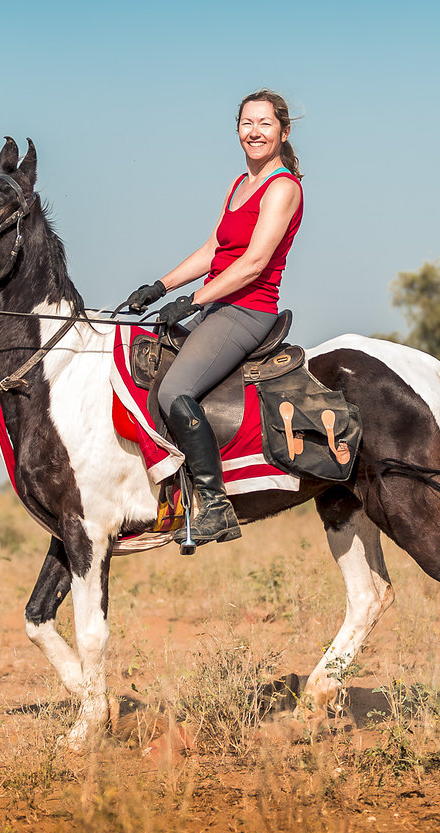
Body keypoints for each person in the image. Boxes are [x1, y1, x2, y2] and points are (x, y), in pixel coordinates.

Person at [125, 89, 304, 546]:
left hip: (248, 309)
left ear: (283, 132)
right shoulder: (237, 185)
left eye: (265, 123)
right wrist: (160, 287)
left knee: (176, 389)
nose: (255, 131)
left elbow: (252, 264)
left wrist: (194, 301)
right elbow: (213, 251)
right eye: (247, 123)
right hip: (220, 304)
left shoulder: (282, 188)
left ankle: (215, 504)